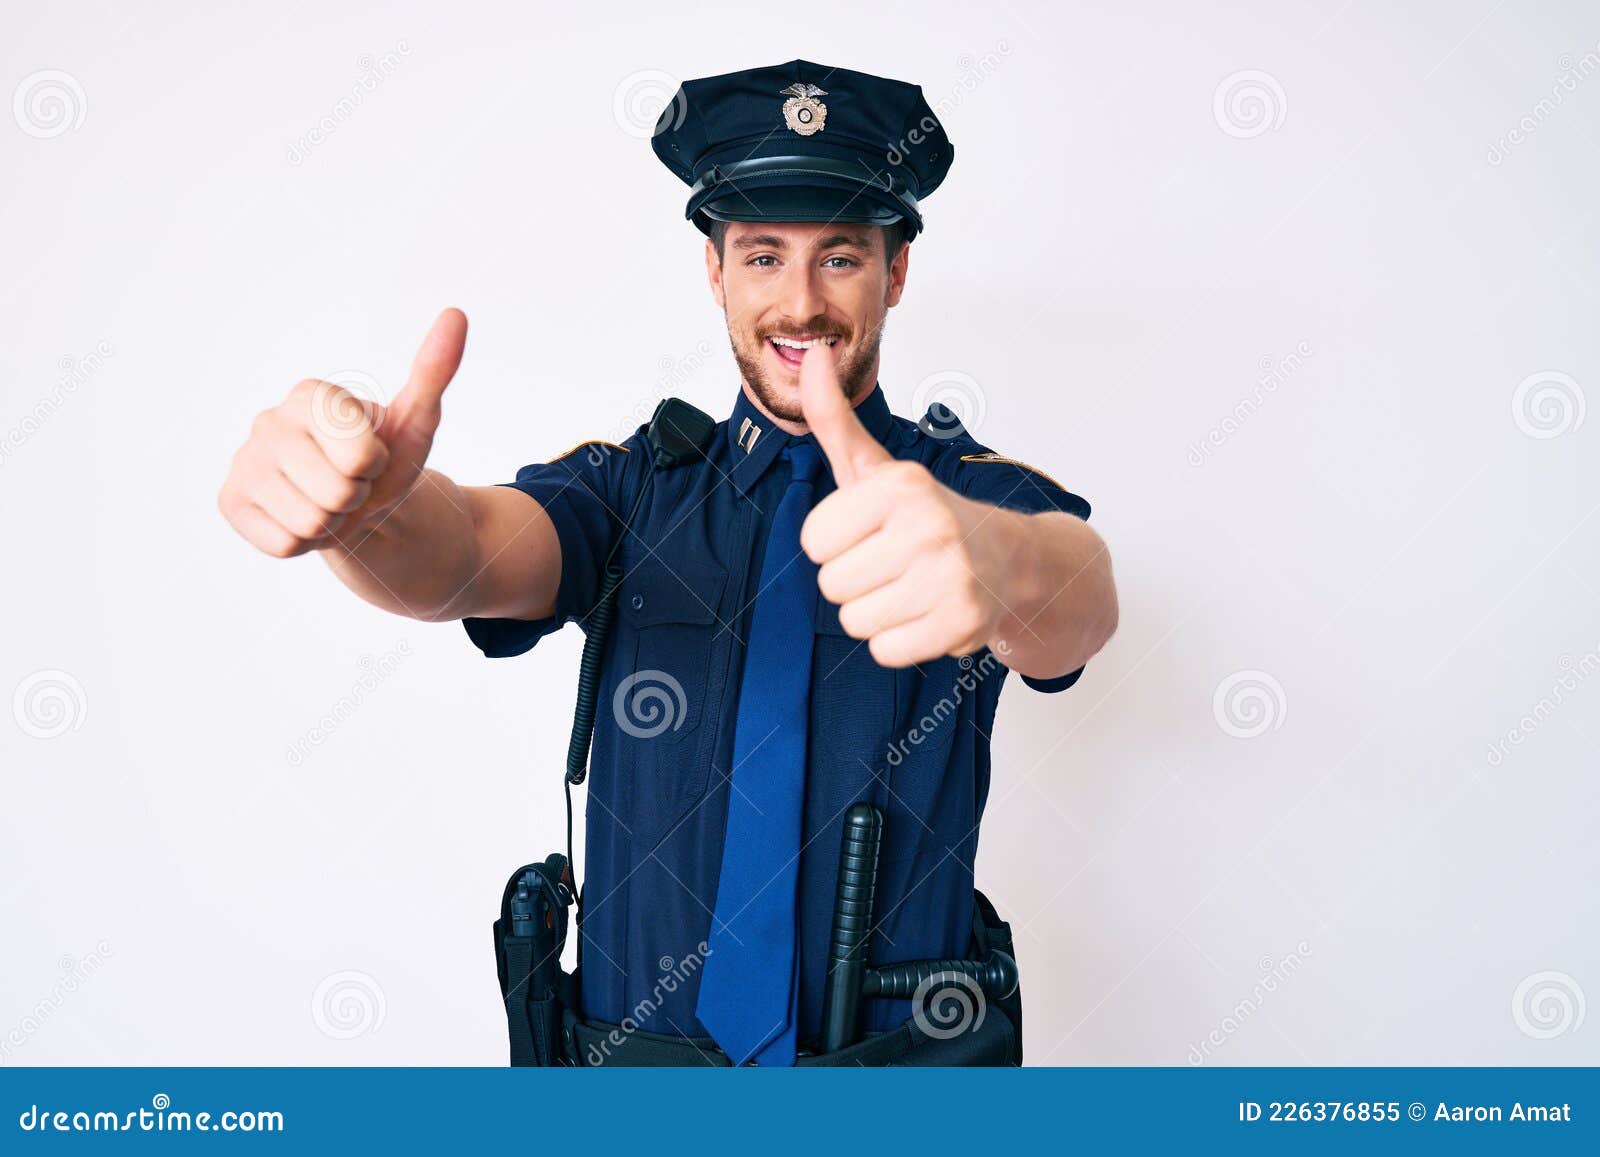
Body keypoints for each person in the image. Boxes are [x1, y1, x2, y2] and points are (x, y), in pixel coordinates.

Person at [217, 59, 1119, 1065]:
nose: (800, 305)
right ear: (715, 270)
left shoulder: (964, 496)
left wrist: (1000, 558)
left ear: (895, 271)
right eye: (764, 256)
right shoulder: (628, 490)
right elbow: (467, 550)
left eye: (841, 258)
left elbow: (1075, 591)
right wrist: (367, 517)